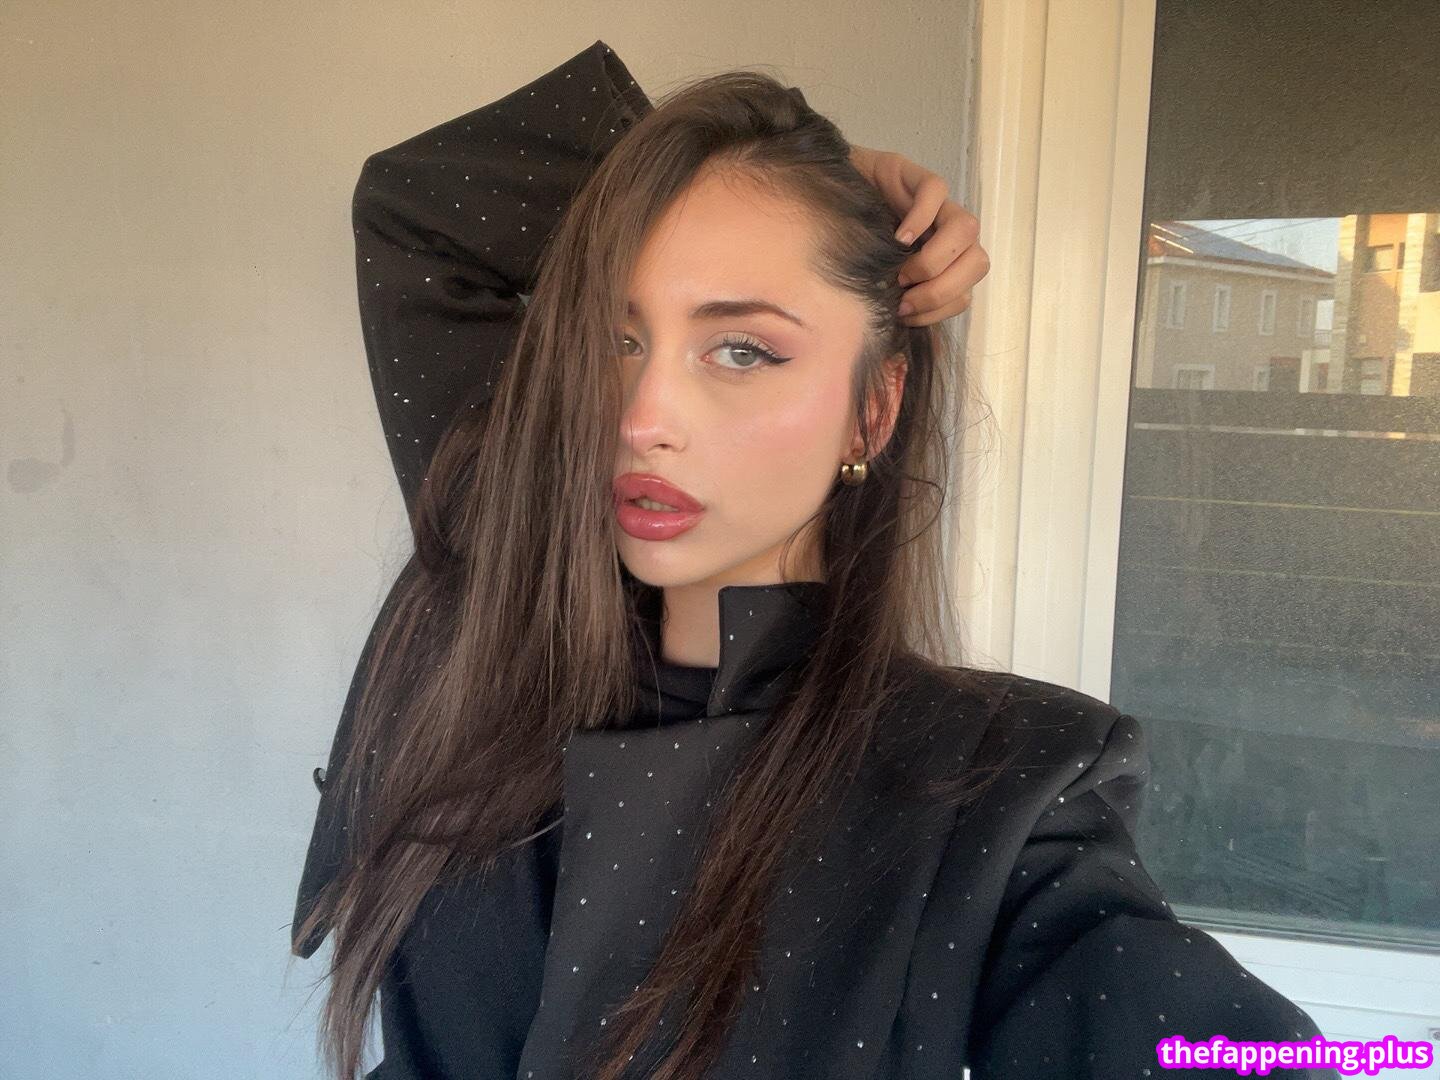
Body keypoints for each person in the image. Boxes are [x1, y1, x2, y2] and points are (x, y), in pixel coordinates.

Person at [290, 39, 1338, 1080]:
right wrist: (796, 168)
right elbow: (418, 204)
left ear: (872, 408)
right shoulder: (506, 577)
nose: (641, 418)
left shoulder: (994, 793)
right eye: (616, 340)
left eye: (742, 349)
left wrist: (806, 197)